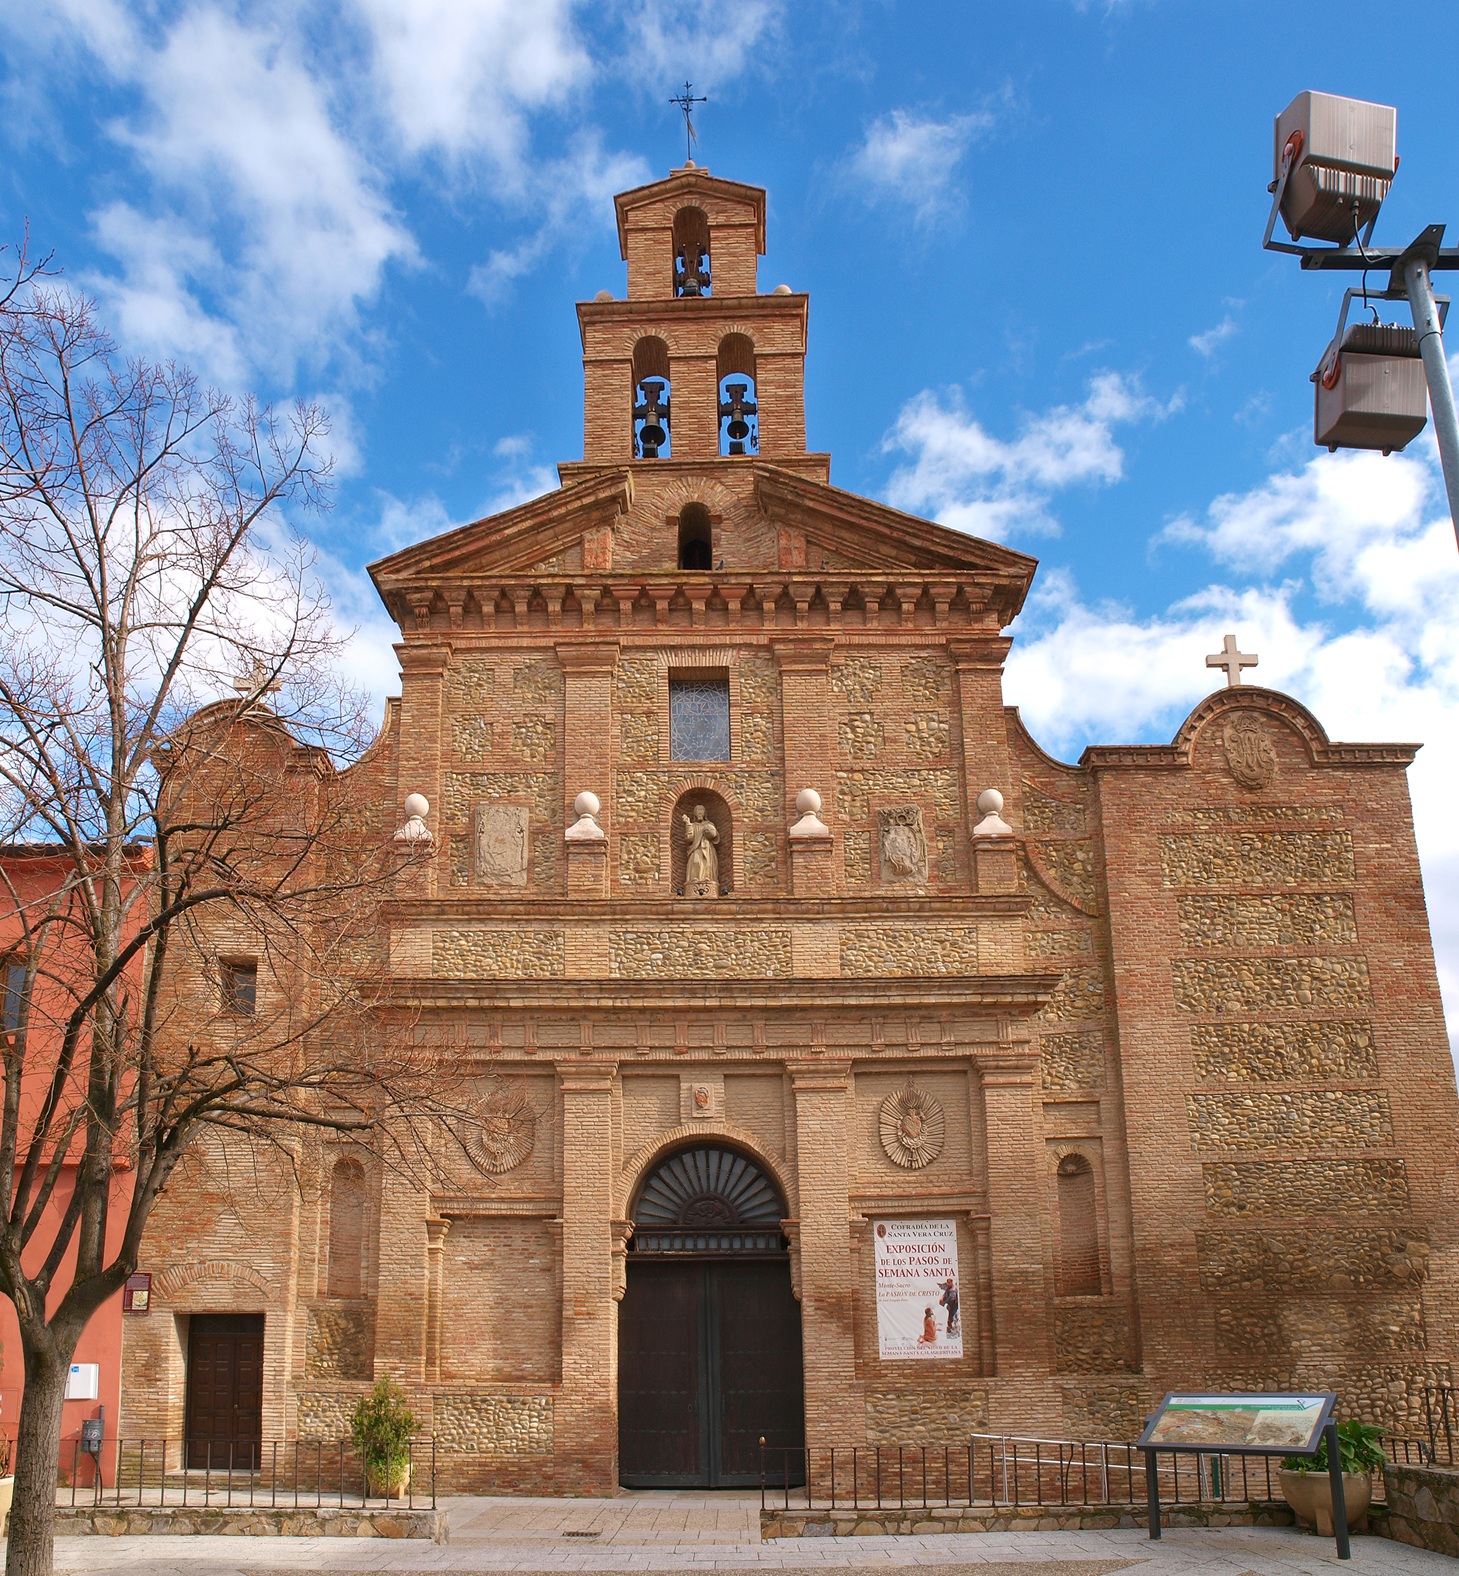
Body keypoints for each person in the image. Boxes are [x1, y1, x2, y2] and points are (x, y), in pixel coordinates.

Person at [681, 803, 719, 892]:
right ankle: (694, 880)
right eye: (698, 810)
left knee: (708, 864)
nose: (700, 812)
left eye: (701, 810)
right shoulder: (693, 825)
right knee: (696, 862)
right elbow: (689, 838)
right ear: (695, 813)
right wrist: (688, 823)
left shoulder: (709, 824)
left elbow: (714, 835)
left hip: (707, 848)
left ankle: (708, 878)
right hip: (696, 848)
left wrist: (710, 831)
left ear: (705, 813)